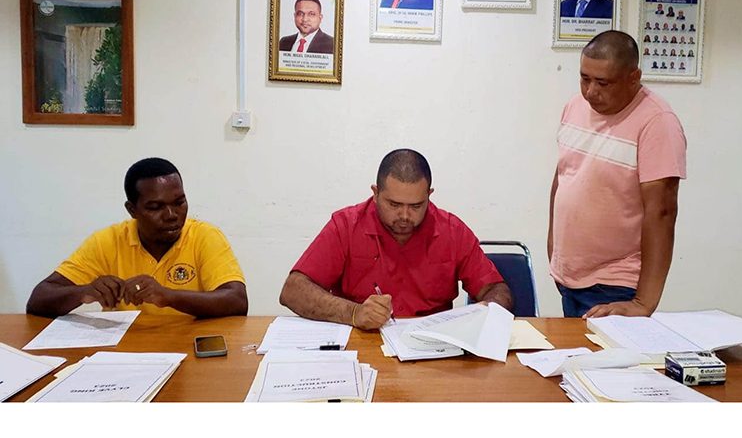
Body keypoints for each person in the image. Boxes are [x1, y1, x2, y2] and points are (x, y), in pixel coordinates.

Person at [279, 149, 513, 330]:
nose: (404, 215)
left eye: (416, 206)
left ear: (429, 195)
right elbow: (293, 291)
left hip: (433, 353)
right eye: (393, 204)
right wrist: (354, 313)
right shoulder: (347, 225)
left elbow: (497, 290)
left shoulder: (452, 230)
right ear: (375, 193)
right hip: (361, 344)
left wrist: (486, 310)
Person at [547, 30, 686, 318]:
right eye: (584, 78)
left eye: (603, 82)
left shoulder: (657, 122)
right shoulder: (575, 106)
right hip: (569, 278)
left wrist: (644, 303)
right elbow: (564, 174)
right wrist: (554, 245)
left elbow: (662, 212)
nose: (590, 92)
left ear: (633, 78)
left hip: (615, 284)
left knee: (601, 364)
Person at [26, 158, 248, 318]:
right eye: (155, 207)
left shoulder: (204, 236)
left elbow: (237, 301)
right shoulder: (107, 241)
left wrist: (169, 296)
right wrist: (84, 292)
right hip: (125, 352)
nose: (172, 215)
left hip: (189, 346)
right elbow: (39, 300)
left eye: (179, 202)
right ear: (132, 210)